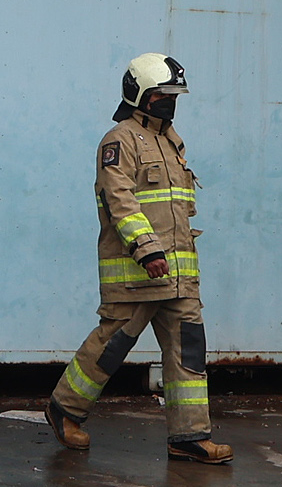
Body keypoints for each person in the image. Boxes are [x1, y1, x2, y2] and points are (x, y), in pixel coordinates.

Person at [45, 53, 232, 464]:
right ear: (141, 96)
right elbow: (121, 201)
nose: (170, 101)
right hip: (137, 272)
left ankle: (188, 437)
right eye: (163, 94)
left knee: (189, 353)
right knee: (111, 345)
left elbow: (178, 210)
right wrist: (147, 250)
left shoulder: (171, 141)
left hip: (180, 277)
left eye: (173, 94)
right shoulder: (120, 141)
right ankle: (64, 409)